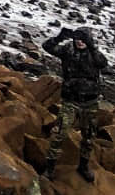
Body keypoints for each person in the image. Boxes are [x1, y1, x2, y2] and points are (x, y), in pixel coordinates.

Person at [40, 25, 107, 182]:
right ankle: (49, 168)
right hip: (71, 100)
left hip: (90, 102)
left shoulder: (93, 53)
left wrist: (91, 46)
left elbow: (103, 63)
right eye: (78, 39)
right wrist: (58, 37)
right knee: (59, 133)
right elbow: (47, 47)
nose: (80, 42)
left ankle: (83, 166)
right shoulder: (68, 50)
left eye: (84, 40)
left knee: (88, 136)